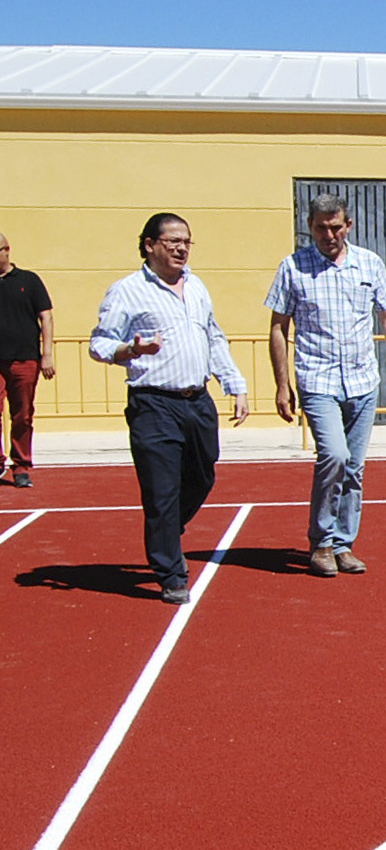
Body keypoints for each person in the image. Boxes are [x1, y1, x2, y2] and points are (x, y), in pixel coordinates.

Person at [90, 213, 249, 604]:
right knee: (161, 490)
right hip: (153, 403)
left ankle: (166, 528)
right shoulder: (127, 291)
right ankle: (171, 573)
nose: (181, 248)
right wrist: (131, 349)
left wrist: (235, 384)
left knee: (203, 476)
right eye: (173, 241)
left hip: (197, 401)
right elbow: (99, 344)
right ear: (150, 245)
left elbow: (214, 337)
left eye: (186, 241)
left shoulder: (196, 286)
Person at [265, 194, 386, 577]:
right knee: (333, 456)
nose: (329, 235)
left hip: (362, 381)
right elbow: (279, 327)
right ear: (310, 226)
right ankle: (321, 543)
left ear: (348, 225)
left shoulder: (369, 263)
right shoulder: (293, 267)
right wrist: (282, 385)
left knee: (354, 468)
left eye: (336, 227)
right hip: (318, 379)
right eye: (321, 228)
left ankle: (343, 544)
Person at [0, 231, 56, 488]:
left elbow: (46, 317)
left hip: (24, 359)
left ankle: (21, 466)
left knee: (22, 415)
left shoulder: (29, 280)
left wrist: (47, 355)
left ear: (6, 250)